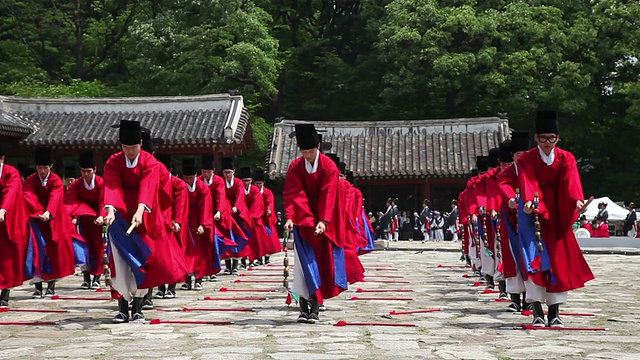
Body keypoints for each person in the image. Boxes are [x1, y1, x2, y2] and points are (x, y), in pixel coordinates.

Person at [102, 120, 187, 323]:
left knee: (144, 262)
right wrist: (110, 209)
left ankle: (138, 307)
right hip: (121, 216)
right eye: (125, 148)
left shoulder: (150, 162)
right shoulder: (113, 161)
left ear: (140, 144)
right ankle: (122, 307)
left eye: (133, 147)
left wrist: (141, 210)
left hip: (145, 216)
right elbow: (112, 187)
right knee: (120, 263)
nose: (130, 152)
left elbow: (148, 187)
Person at [518, 110, 595, 327]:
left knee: (558, 262)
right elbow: (528, 181)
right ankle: (536, 312)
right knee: (535, 261)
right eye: (543, 138)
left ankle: (554, 312)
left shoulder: (566, 158)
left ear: (558, 138)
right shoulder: (527, 158)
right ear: (536, 138)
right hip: (534, 211)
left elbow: (571, 183)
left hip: (559, 211)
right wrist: (530, 202)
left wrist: (577, 201)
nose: (547, 143)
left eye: (551, 138)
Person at [283, 124, 348, 324]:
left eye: (311, 151)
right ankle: (304, 308)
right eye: (304, 152)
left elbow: (328, 194)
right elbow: (293, 194)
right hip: (304, 220)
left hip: (322, 224)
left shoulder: (329, 166)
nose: (308, 155)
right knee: (303, 267)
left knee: (320, 265)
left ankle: (316, 309)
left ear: (318, 147)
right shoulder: (296, 166)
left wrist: (323, 220)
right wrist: (290, 216)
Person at [23, 147, 75, 298]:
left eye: (45, 168)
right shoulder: (31, 180)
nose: (42, 171)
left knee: (54, 251)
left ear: (50, 167)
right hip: (36, 219)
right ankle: (37, 286)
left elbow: (55, 196)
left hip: (54, 220)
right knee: (37, 250)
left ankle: (51, 285)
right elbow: (28, 195)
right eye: (39, 168)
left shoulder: (56, 181)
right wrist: (39, 212)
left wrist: (48, 212)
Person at [64, 151, 105, 290]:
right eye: (83, 171)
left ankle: (97, 277)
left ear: (94, 170)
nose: (86, 174)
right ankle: (86, 277)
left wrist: (102, 215)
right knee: (83, 246)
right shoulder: (77, 184)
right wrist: (69, 217)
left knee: (98, 248)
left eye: (88, 171)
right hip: (84, 218)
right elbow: (70, 201)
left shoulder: (101, 183)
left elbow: (103, 200)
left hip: (97, 220)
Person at [0, 151, 29, 307]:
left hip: (10, 218)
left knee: (7, 259)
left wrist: (3, 209)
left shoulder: (11, 173)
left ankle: (5, 294)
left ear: (2, 159)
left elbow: (10, 193)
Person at [181, 158, 215, 291]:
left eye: (190, 177)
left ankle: (199, 279)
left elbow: (206, 207)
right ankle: (187, 280)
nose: (188, 180)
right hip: (185, 219)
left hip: (198, 219)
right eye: (186, 177)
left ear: (195, 176)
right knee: (185, 250)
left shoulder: (202, 188)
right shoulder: (181, 186)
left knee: (199, 251)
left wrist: (203, 224)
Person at [220, 157, 253, 274]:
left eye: (229, 172)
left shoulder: (238, 182)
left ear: (233, 171)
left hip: (237, 214)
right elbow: (221, 196)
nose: (227, 175)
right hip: (226, 213)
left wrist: (236, 206)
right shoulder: (221, 182)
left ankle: (235, 265)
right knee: (227, 238)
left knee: (237, 238)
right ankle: (228, 266)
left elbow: (240, 196)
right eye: (224, 172)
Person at [253, 168, 283, 264]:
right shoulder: (253, 192)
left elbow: (270, 202)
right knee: (258, 239)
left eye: (260, 183)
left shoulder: (267, 192)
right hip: (257, 217)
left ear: (263, 183)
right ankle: (259, 258)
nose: (258, 185)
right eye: (257, 183)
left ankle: (266, 258)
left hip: (266, 217)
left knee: (268, 238)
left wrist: (269, 209)